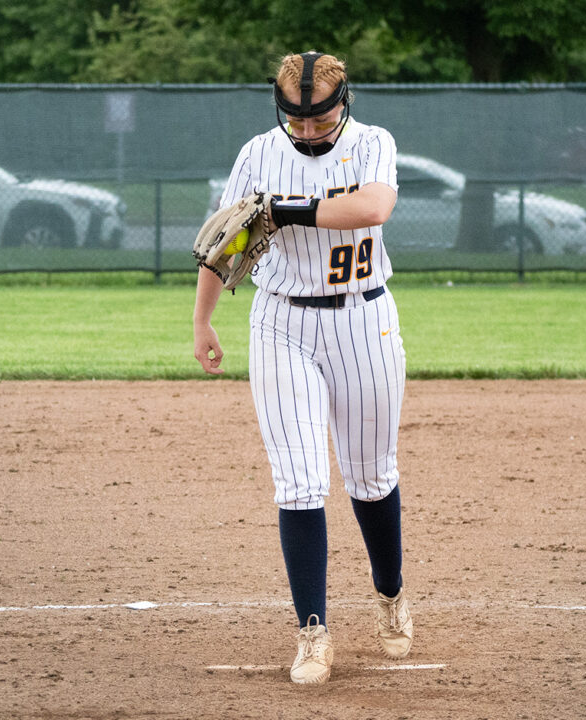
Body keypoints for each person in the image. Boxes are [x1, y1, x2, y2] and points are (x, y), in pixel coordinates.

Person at [193, 51, 413, 685]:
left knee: (371, 476)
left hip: (363, 320)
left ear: (344, 103)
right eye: (299, 121)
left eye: (321, 119)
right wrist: (204, 320)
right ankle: (311, 631)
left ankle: (391, 594)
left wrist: (288, 210)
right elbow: (223, 242)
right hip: (282, 322)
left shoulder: (373, 143)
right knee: (298, 480)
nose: (310, 131)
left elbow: (373, 208)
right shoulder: (257, 153)